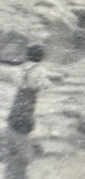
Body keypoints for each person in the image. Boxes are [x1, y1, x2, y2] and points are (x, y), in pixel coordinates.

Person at [5, 44, 46, 179]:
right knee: (24, 130)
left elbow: (15, 80)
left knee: (15, 124)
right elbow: (38, 85)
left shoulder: (20, 68)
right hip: (29, 102)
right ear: (41, 57)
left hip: (18, 101)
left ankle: (12, 168)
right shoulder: (40, 70)